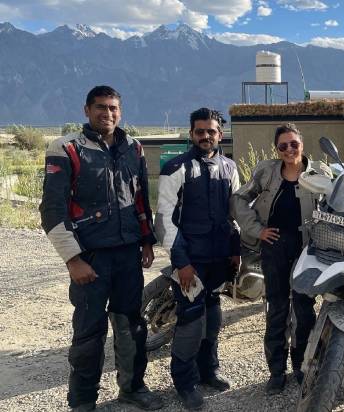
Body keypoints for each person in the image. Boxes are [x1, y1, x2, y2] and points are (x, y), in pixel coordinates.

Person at [39, 85, 163, 411]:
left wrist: (147, 240)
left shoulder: (133, 148)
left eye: (113, 108)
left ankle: (133, 388)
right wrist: (72, 259)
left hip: (128, 255)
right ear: (87, 110)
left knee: (132, 326)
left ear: (120, 112)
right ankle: (82, 400)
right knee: (88, 332)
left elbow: (140, 198)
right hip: (90, 259)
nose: (107, 113)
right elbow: (52, 211)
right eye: (100, 107)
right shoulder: (66, 148)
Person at [231, 123, 332, 395]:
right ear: (277, 149)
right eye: (283, 146)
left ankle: (301, 367)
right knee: (276, 308)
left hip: (307, 250)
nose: (289, 150)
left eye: (293, 144)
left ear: (302, 144)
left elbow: (336, 203)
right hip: (274, 248)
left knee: (303, 308)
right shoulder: (266, 171)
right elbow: (238, 199)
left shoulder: (320, 172)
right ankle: (276, 372)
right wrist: (257, 230)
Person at [154, 108, 240, 410]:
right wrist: (182, 263)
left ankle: (208, 371)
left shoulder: (229, 167)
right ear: (191, 134)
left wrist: (235, 251)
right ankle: (185, 382)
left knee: (213, 316)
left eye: (211, 131)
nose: (206, 136)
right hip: (190, 261)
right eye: (200, 131)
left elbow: (234, 215)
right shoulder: (176, 167)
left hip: (219, 260)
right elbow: (164, 221)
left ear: (220, 134)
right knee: (190, 320)